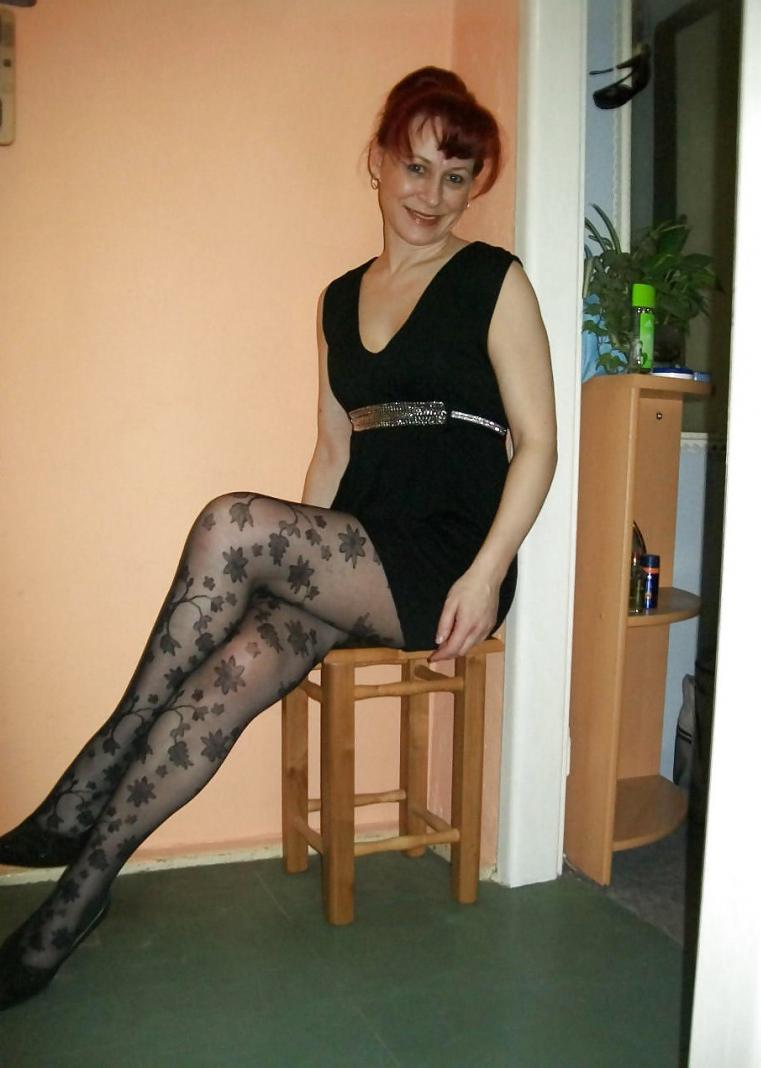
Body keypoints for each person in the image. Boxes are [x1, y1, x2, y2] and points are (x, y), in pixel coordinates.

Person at [0, 66, 556, 1009]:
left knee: (229, 521)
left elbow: (538, 442)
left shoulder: (492, 281)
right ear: (376, 160)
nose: (432, 194)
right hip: (360, 552)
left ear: (475, 187)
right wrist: (290, 575)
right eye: (415, 167)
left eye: (456, 177)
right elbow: (333, 451)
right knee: (222, 682)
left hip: (447, 559)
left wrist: (488, 569)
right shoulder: (338, 299)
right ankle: (73, 902)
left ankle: (87, 780)